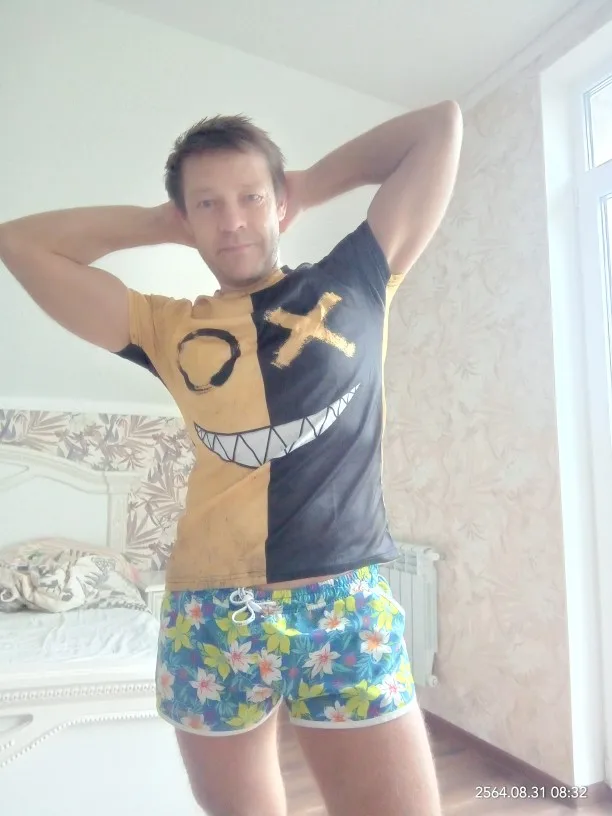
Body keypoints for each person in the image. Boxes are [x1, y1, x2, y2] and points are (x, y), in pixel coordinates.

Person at [0, 102, 462, 816]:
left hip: (342, 601)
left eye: (250, 197)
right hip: (212, 608)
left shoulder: (357, 279)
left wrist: (303, 185)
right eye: (207, 204)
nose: (233, 220)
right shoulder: (164, 325)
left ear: (278, 204)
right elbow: (19, 242)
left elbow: (439, 127)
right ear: (186, 219)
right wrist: (159, 222)